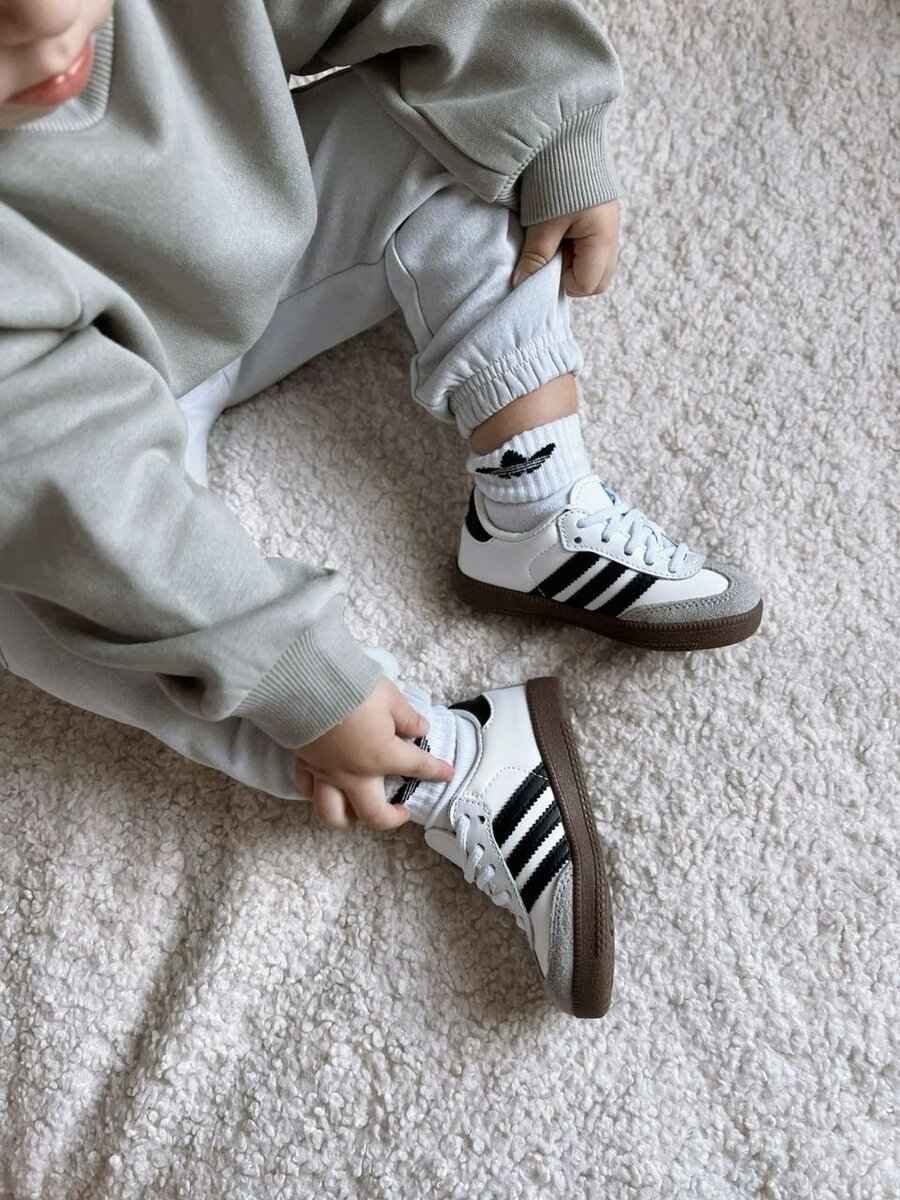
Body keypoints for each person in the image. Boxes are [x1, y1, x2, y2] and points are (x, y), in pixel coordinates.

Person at [0, 0, 761, 1018]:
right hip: (66, 421)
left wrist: (561, 128)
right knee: (47, 594)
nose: (35, 21)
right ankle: (449, 762)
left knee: (478, 124)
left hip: (255, 239)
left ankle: (532, 503)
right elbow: (85, 501)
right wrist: (305, 684)